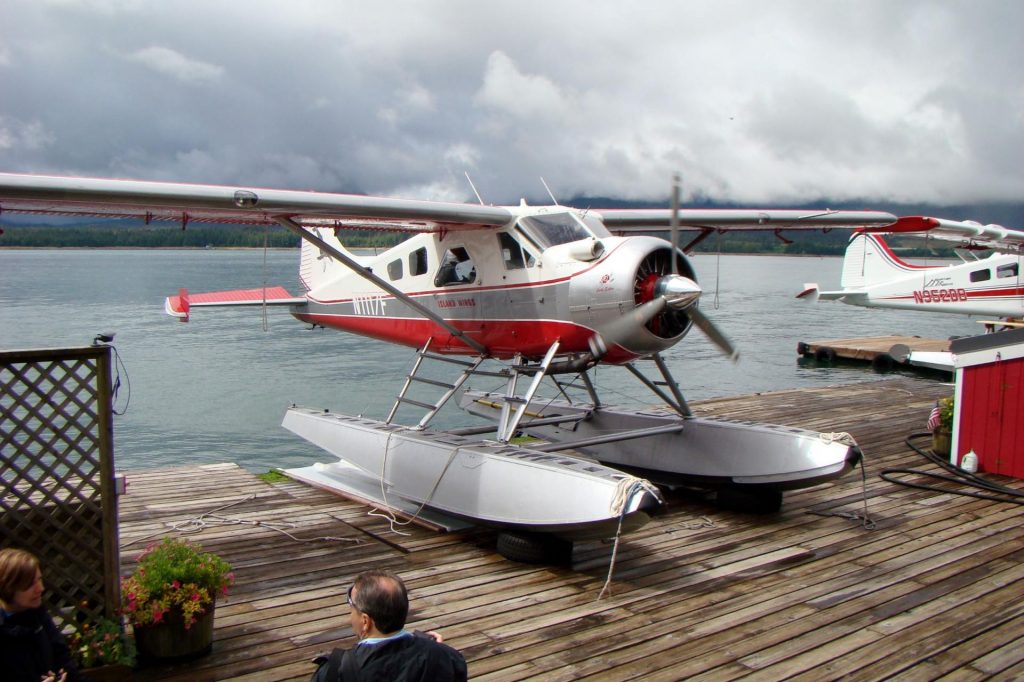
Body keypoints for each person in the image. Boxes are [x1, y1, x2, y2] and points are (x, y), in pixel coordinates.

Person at [311, 569, 467, 681]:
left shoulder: (334, 670)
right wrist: (437, 653)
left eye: (351, 605)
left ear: (366, 621)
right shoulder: (448, 658)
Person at [0, 548, 84, 682]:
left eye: (39, 579)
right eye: (30, 584)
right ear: (8, 588)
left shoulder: (37, 613)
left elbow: (63, 659)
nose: (40, 588)